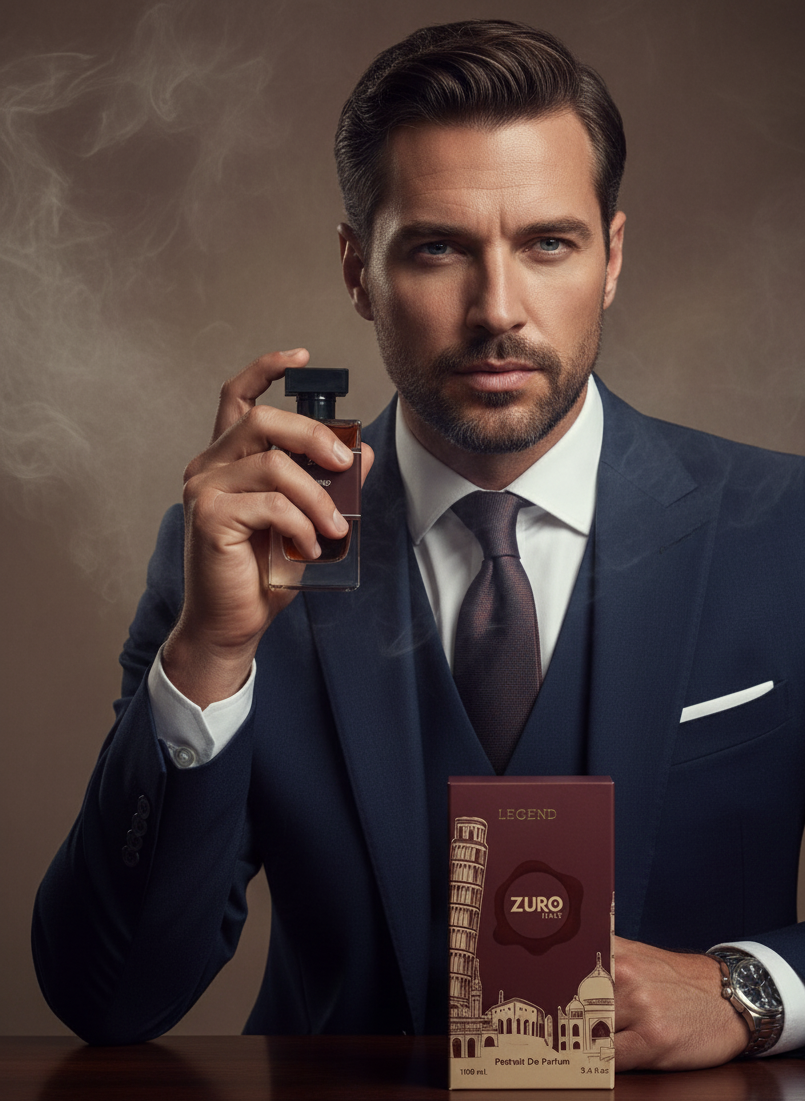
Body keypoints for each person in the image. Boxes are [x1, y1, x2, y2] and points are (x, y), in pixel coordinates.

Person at [32, 20, 805, 1071]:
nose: (498, 311)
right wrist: (209, 658)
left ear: (611, 257)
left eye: (547, 243)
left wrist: (747, 988)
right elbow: (107, 997)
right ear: (359, 271)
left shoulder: (784, 530)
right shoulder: (243, 553)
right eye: (439, 248)